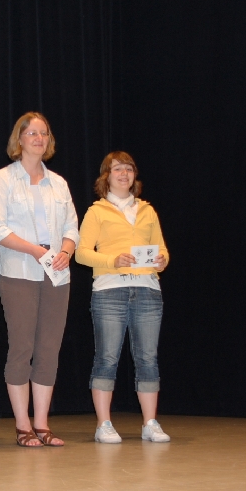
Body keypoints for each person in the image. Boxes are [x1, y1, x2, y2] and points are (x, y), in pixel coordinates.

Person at [0, 112, 80, 447]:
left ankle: (42, 423)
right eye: (32, 133)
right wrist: (36, 251)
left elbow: (72, 227)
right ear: (19, 139)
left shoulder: (59, 183)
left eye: (44, 133)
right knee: (22, 347)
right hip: (19, 273)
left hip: (57, 275)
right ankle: (22, 425)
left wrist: (65, 250)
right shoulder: (3, 179)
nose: (39, 139)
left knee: (49, 350)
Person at [75, 151, 170, 444]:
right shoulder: (96, 211)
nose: (124, 173)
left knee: (148, 358)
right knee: (107, 356)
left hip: (147, 289)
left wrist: (162, 260)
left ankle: (150, 422)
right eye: (117, 169)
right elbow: (81, 253)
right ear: (106, 176)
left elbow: (161, 249)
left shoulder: (147, 210)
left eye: (129, 168)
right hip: (109, 290)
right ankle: (104, 423)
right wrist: (112, 260)